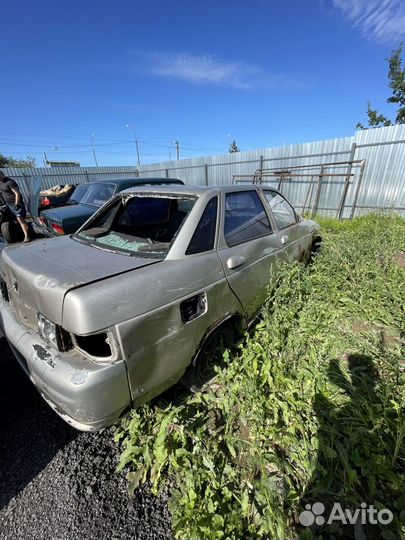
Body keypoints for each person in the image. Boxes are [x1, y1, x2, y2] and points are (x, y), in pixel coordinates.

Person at [0, 171, 30, 242]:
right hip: (8, 205)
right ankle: (19, 234)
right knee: (14, 219)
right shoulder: (1, 183)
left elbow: (17, 194)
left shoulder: (10, 182)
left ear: (3, 174)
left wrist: (16, 204)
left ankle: (27, 236)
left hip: (16, 204)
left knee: (20, 219)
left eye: (0, 175)